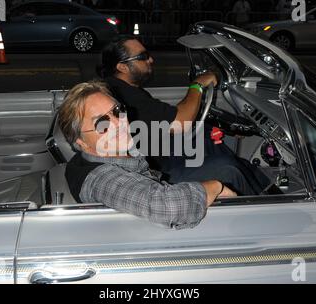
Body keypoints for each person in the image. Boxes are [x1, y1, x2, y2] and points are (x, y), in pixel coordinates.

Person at [98, 37, 271, 196]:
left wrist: (225, 126)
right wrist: (197, 86)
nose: (151, 60)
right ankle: (267, 208)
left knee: (210, 142)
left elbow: (166, 117)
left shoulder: (125, 89)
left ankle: (269, 192)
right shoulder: (123, 94)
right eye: (143, 57)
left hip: (159, 153)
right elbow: (180, 122)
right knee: (229, 170)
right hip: (154, 172)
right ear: (122, 67)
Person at [58, 81, 237, 229]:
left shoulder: (103, 156)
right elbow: (166, 207)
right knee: (227, 170)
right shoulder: (101, 179)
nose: (118, 122)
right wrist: (215, 187)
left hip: (157, 194)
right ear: (80, 142)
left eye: (116, 110)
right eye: (101, 122)